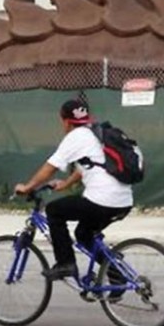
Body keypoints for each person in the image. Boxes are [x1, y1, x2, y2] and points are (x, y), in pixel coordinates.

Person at [14, 98, 133, 281]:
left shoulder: (75, 136)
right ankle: (117, 275)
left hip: (102, 201)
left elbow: (50, 167)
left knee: (54, 211)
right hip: (123, 202)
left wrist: (27, 187)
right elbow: (88, 166)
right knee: (83, 235)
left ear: (65, 121)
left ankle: (65, 263)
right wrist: (66, 184)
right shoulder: (97, 134)